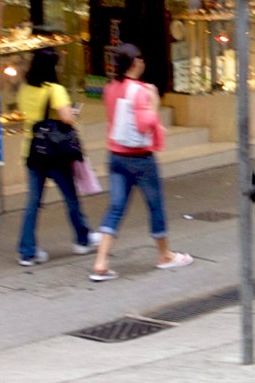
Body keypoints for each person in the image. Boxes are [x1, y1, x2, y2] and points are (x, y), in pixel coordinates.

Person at [88, 44, 193, 280]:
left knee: (116, 207)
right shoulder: (141, 90)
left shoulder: (110, 88)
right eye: (141, 59)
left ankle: (101, 261)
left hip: (115, 155)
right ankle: (164, 255)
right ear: (135, 63)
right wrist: (153, 101)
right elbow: (145, 124)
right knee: (155, 205)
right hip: (140, 158)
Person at [15, 45, 92, 267]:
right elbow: (66, 118)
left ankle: (27, 251)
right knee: (70, 197)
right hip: (55, 152)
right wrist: (73, 112)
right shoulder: (55, 89)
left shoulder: (25, 89)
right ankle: (82, 239)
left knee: (33, 202)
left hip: (32, 150)